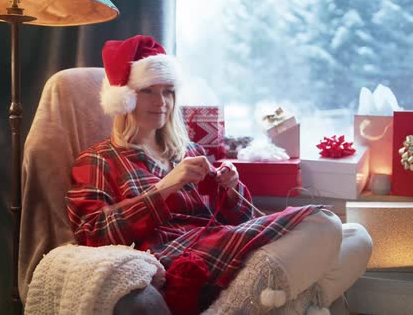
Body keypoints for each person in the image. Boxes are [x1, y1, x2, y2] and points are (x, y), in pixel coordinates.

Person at [66, 35, 372, 314]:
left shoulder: (190, 151)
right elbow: (91, 234)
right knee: (323, 223)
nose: (161, 103)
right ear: (126, 98)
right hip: (180, 257)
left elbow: (243, 220)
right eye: (148, 92)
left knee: (357, 236)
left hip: (223, 243)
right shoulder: (100, 158)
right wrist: (163, 189)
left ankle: (290, 306)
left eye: (168, 92)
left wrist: (230, 188)